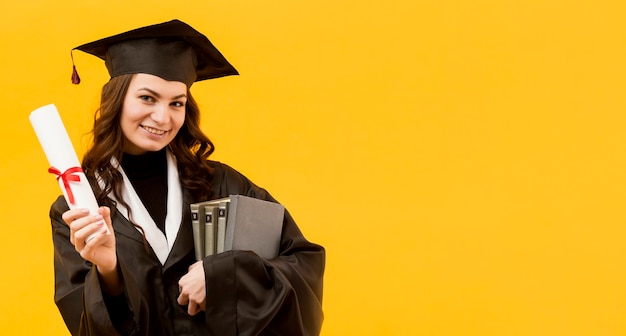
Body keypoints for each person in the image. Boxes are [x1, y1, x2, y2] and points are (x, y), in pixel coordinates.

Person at [50, 19, 325, 336]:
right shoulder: (79, 209)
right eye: (147, 98)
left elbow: (302, 266)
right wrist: (108, 269)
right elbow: (86, 326)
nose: (163, 117)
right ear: (117, 100)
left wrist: (223, 276)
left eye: (176, 103)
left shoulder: (223, 184)